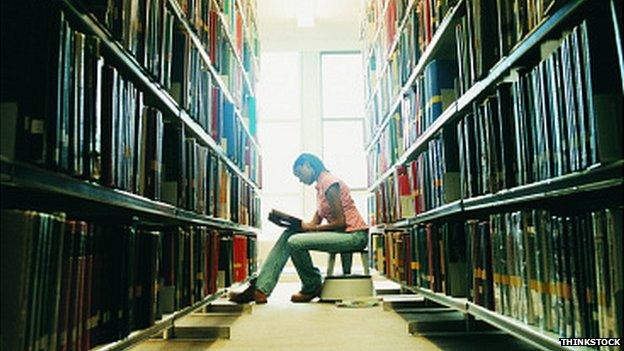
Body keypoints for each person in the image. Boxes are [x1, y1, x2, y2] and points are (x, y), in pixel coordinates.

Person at [229, 153, 369, 303]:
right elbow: (313, 224)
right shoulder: (321, 187)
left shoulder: (329, 183)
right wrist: (295, 224)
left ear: (308, 165)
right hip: (343, 234)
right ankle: (260, 288)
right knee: (289, 234)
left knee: (295, 242)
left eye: (299, 174)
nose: (300, 180)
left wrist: (311, 229)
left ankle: (311, 286)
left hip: (354, 236)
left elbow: (341, 223)